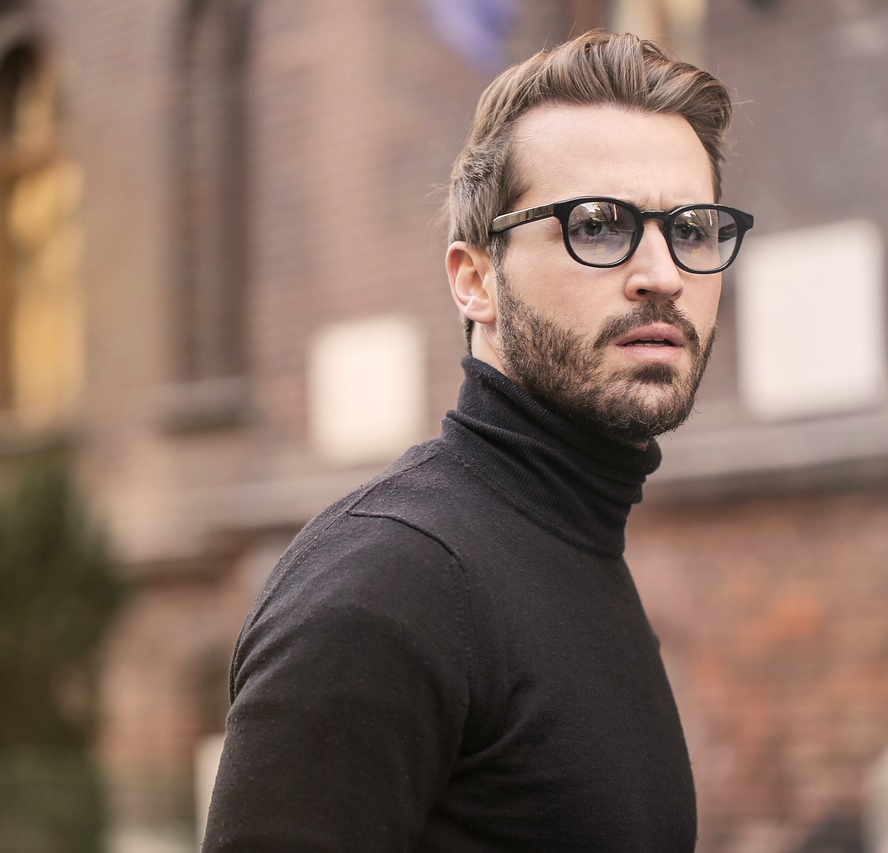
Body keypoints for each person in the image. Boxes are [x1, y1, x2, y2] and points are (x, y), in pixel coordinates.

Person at [202, 29, 753, 852]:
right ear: (476, 279)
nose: (664, 273)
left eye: (694, 228)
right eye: (598, 225)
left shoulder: (571, 543)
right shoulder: (389, 585)